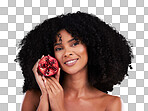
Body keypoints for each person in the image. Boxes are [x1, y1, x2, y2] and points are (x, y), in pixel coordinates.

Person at [15, 11, 133, 111]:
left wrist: (58, 108)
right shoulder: (34, 96)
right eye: (59, 48)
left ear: (91, 46)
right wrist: (45, 98)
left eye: (75, 44)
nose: (67, 53)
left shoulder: (110, 104)